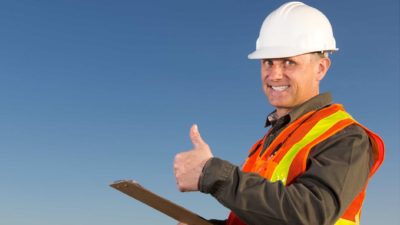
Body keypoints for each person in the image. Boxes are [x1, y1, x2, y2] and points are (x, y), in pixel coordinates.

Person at [173, 2, 385, 225]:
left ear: (321, 68)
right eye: (268, 62)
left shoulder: (345, 137)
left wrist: (214, 174)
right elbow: (266, 216)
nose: (274, 75)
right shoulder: (272, 142)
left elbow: (310, 214)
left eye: (288, 62)